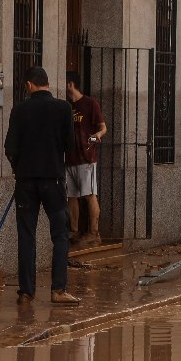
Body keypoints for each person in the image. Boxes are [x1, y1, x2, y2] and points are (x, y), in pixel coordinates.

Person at [3, 67, 80, 305]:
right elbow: (71, 145)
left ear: (29, 85)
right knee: (60, 234)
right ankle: (58, 290)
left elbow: (10, 149)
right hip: (53, 182)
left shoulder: (19, 110)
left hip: (25, 182)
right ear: (47, 84)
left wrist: (18, 167)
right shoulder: (63, 108)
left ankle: (26, 291)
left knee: (26, 235)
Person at [64, 71, 108, 246]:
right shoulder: (66, 106)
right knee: (71, 196)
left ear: (70, 84)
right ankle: (74, 231)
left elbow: (103, 128)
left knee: (90, 194)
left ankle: (94, 232)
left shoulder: (90, 104)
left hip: (86, 158)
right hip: (69, 158)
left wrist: (96, 136)